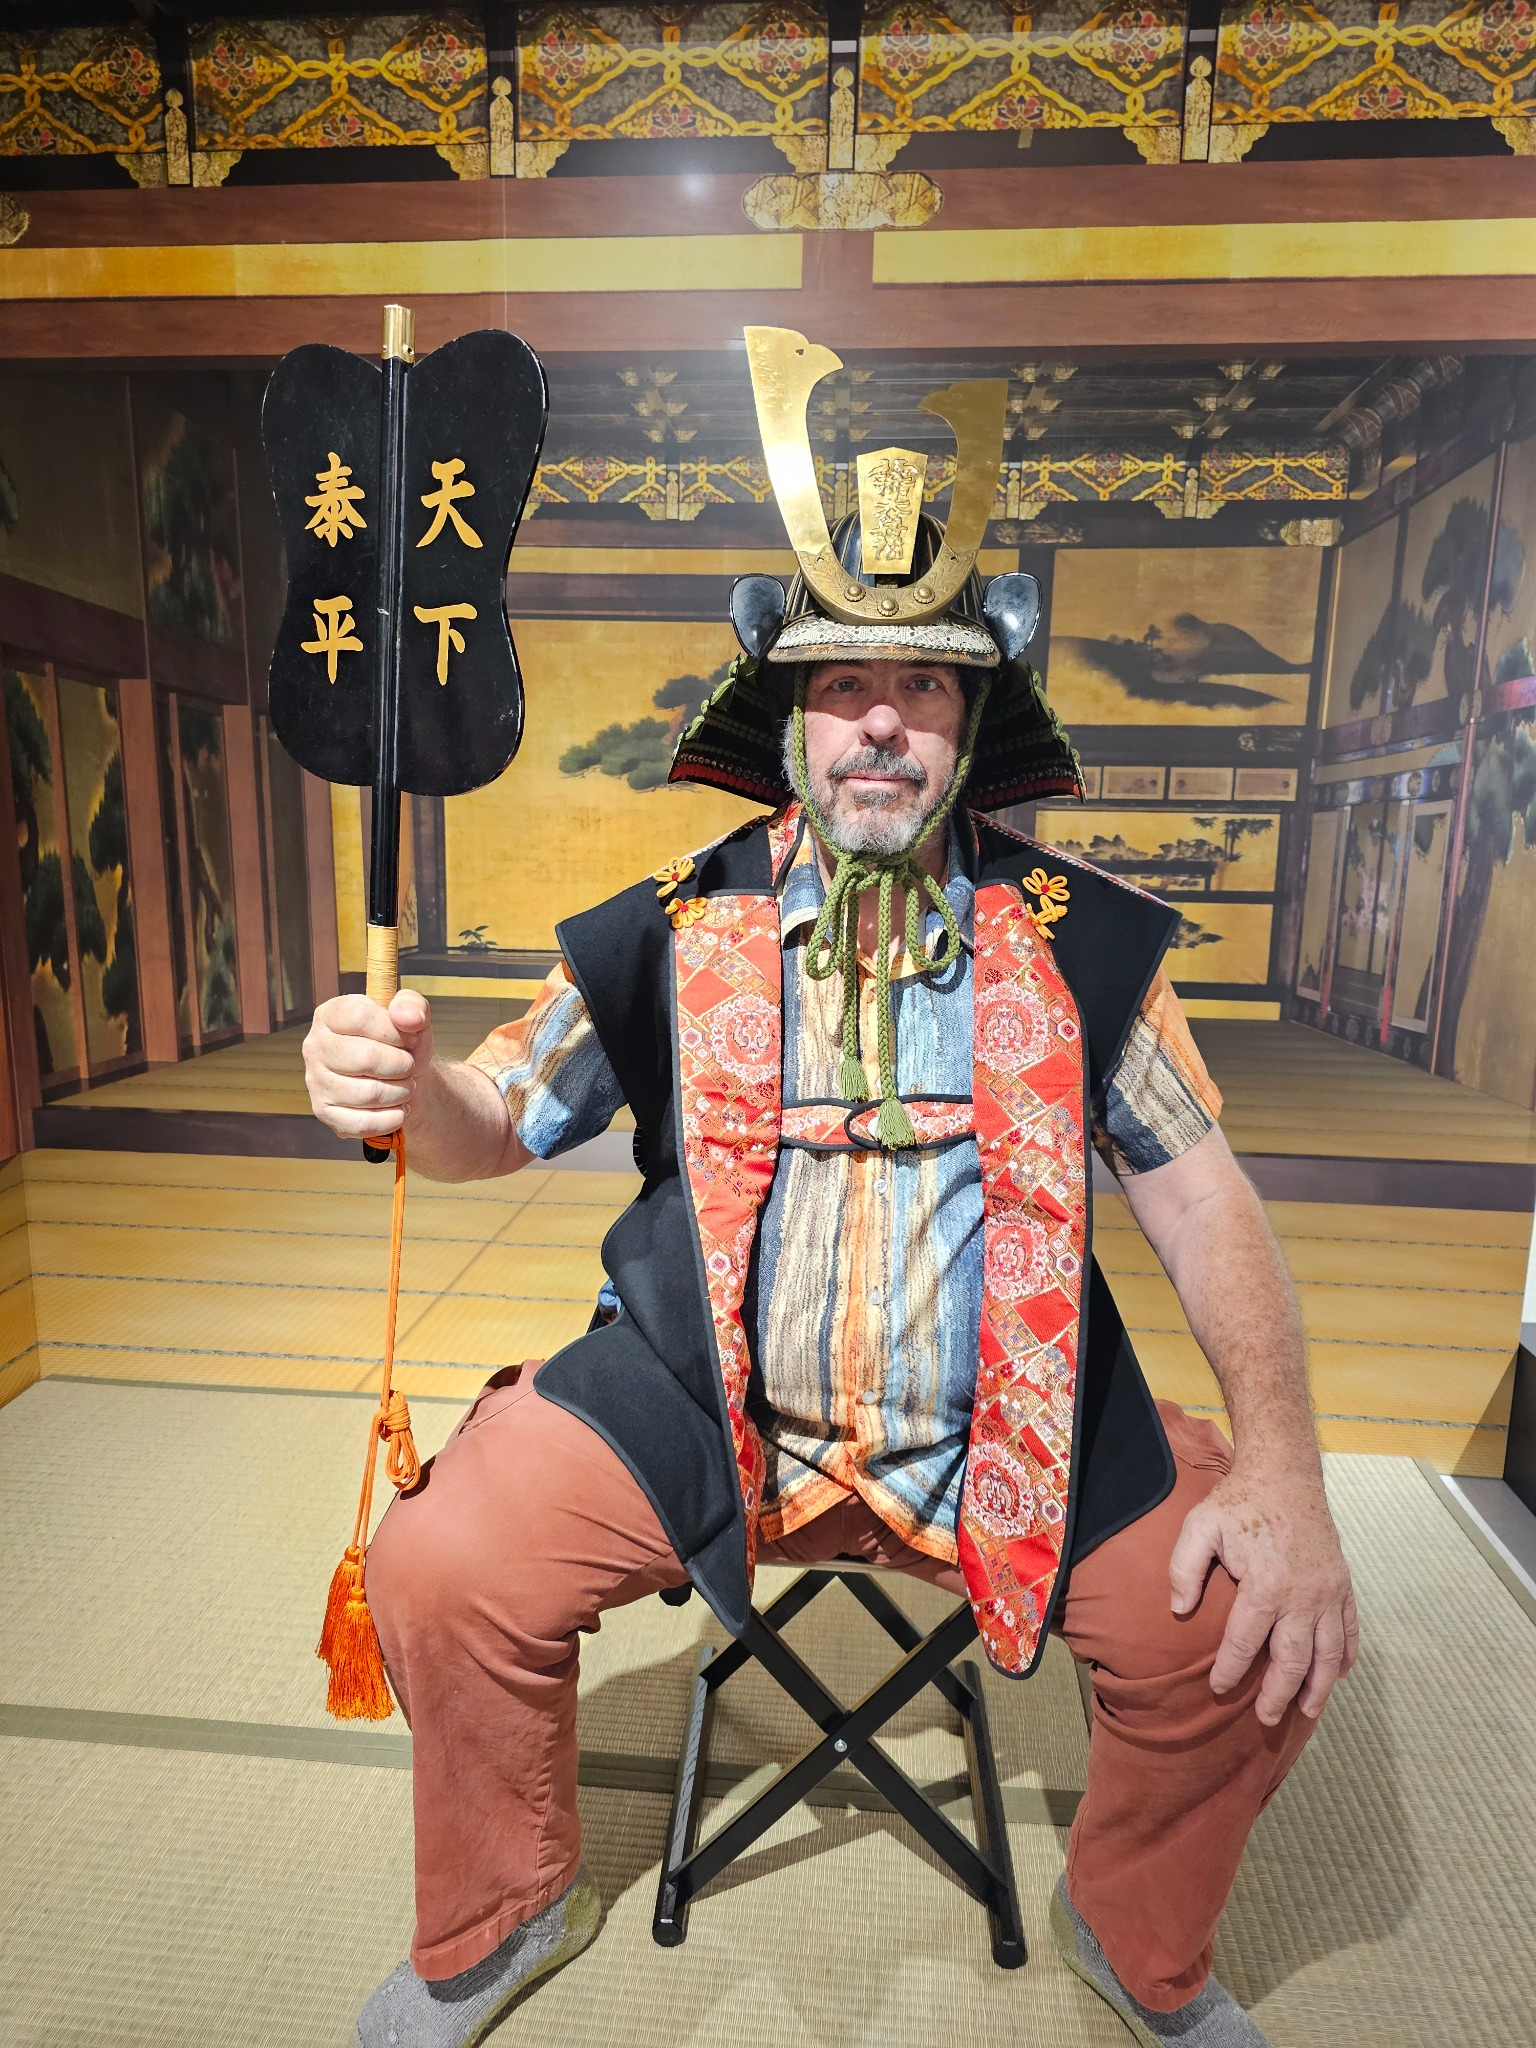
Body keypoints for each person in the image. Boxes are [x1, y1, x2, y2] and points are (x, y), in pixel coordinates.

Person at [304, 353, 1357, 2048]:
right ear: (784, 721)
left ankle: (1135, 1926)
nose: (881, 717)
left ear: (972, 723)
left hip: (1009, 1423)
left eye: (924, 686)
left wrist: (1292, 1464)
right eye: (842, 680)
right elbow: (494, 1121)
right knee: (439, 1564)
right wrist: (394, 1091)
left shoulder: (1082, 942)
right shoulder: (671, 923)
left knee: (1255, 1619)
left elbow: (1204, 1195)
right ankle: (505, 1908)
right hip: (694, 1406)